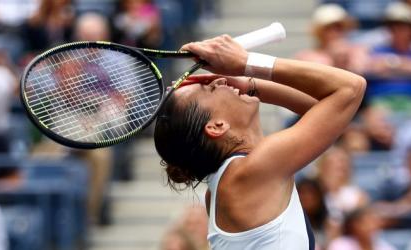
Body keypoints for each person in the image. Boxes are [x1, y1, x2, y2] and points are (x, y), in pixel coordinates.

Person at [154, 35, 366, 249]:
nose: (219, 80)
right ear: (217, 126)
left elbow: (327, 111)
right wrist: (245, 63)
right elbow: (351, 88)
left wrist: (248, 84)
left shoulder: (229, 183)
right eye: (211, 89)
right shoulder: (254, 170)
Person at [295, 4, 369, 74]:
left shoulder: (356, 51)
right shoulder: (306, 56)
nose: (334, 32)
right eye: (328, 28)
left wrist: (347, 60)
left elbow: (361, 71)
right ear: (319, 32)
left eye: (339, 27)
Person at [327, 208, 396, 250]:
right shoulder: (340, 245)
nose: (371, 226)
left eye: (373, 222)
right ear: (353, 225)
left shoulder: (385, 247)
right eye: (366, 223)